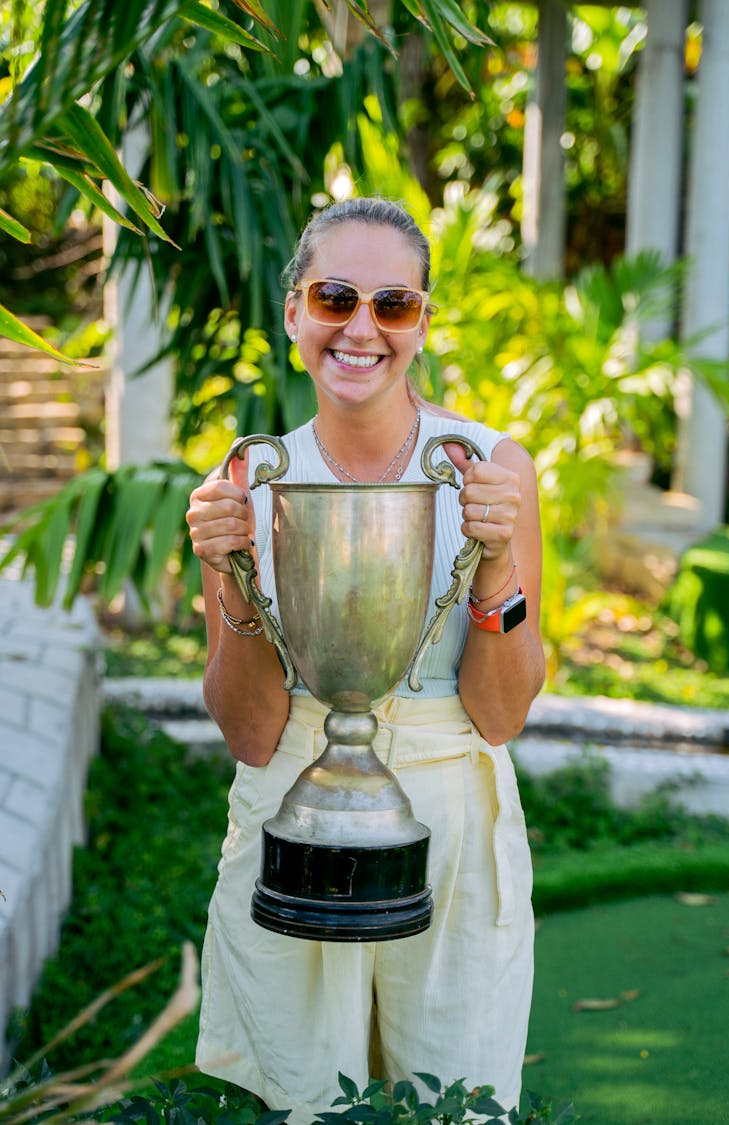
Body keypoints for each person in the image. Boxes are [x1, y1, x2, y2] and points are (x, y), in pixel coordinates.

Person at [186, 196, 545, 1121]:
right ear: (295, 310)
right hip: (294, 821)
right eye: (336, 296)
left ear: (422, 322)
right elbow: (252, 729)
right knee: (304, 1103)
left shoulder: (492, 468)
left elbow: (500, 717)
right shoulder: (246, 478)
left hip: (451, 824)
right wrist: (226, 574)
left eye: (393, 305)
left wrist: (496, 560)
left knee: (449, 1106)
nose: (361, 328)